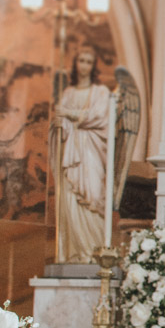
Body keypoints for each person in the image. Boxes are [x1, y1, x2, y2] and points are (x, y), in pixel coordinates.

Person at [51, 47, 112, 263]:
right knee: (70, 199)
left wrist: (67, 113)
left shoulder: (101, 92)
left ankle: (95, 253)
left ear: (94, 66)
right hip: (71, 154)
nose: (84, 65)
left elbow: (100, 118)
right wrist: (60, 125)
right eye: (81, 60)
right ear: (75, 64)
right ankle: (75, 254)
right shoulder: (67, 94)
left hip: (92, 153)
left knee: (93, 196)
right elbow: (63, 129)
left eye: (88, 61)